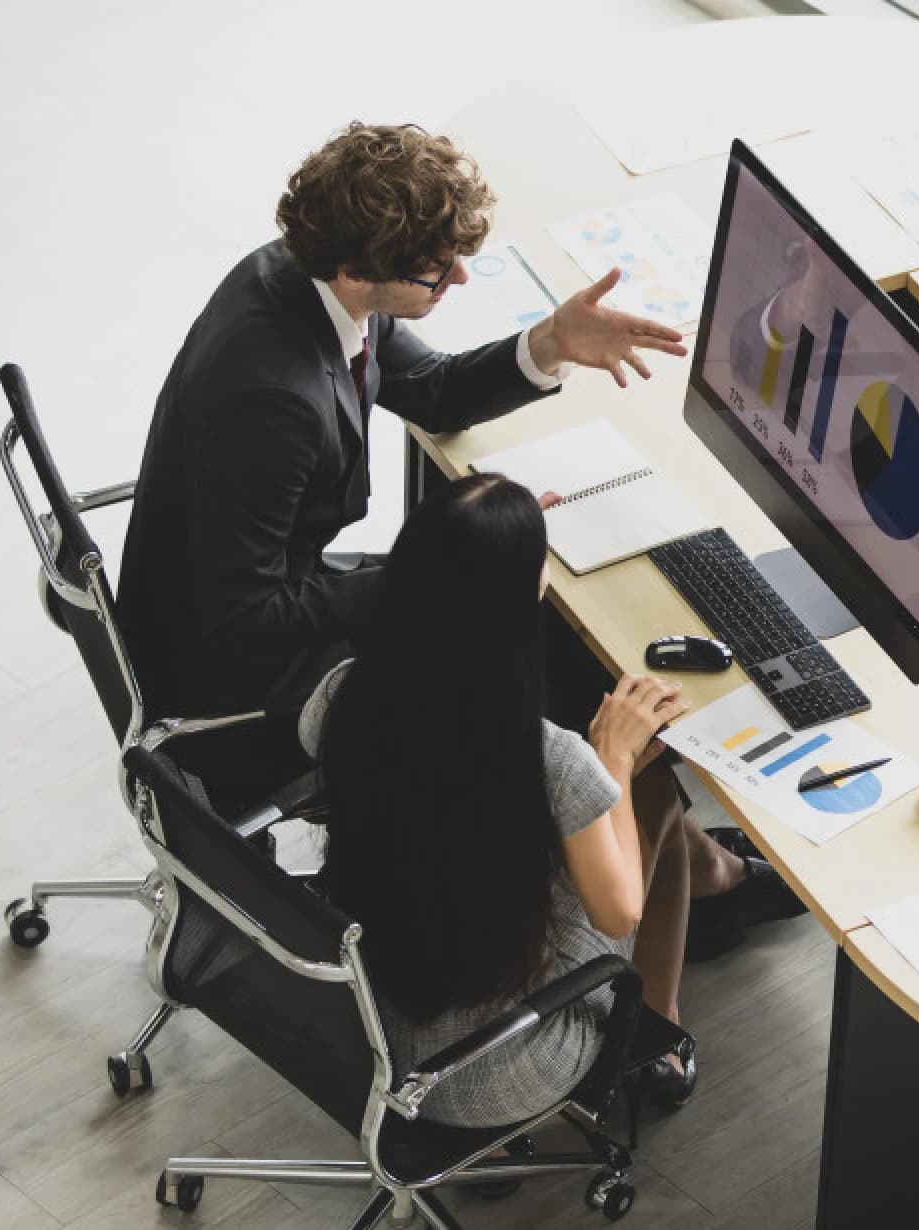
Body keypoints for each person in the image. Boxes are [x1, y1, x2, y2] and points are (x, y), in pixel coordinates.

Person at [119, 121, 687, 724]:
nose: (460, 278)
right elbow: (248, 620)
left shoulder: (313, 272)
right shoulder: (272, 401)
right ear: (358, 270)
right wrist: (448, 577)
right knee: (531, 678)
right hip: (233, 676)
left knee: (526, 623)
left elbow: (433, 391)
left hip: (257, 585)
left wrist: (550, 341)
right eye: (436, 268)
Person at [302, 473, 701, 1123]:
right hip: (503, 1070)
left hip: (369, 1029)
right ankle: (656, 1033)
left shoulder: (345, 696)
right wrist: (614, 762)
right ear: (515, 601)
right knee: (656, 793)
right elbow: (620, 910)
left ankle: (715, 876)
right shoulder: (548, 759)